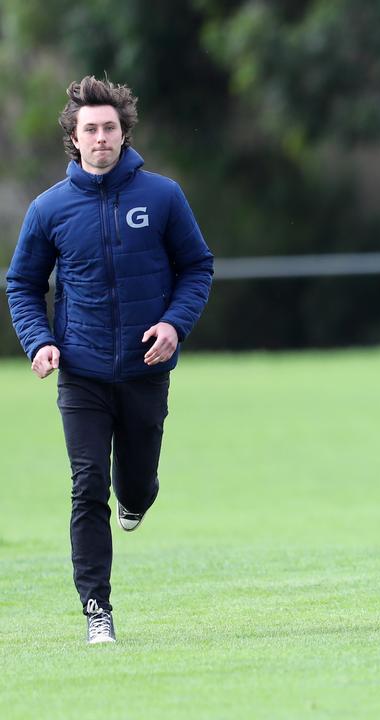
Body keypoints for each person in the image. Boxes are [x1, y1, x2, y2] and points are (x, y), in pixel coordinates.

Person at [6, 76, 214, 642]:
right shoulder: (48, 209)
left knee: (136, 486)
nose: (101, 137)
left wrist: (174, 324)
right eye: (90, 129)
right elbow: (22, 284)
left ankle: (138, 498)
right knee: (86, 482)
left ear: (124, 134)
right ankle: (97, 610)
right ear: (75, 138)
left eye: (110, 128)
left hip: (145, 368)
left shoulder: (163, 197)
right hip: (82, 372)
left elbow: (197, 267)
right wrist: (39, 340)